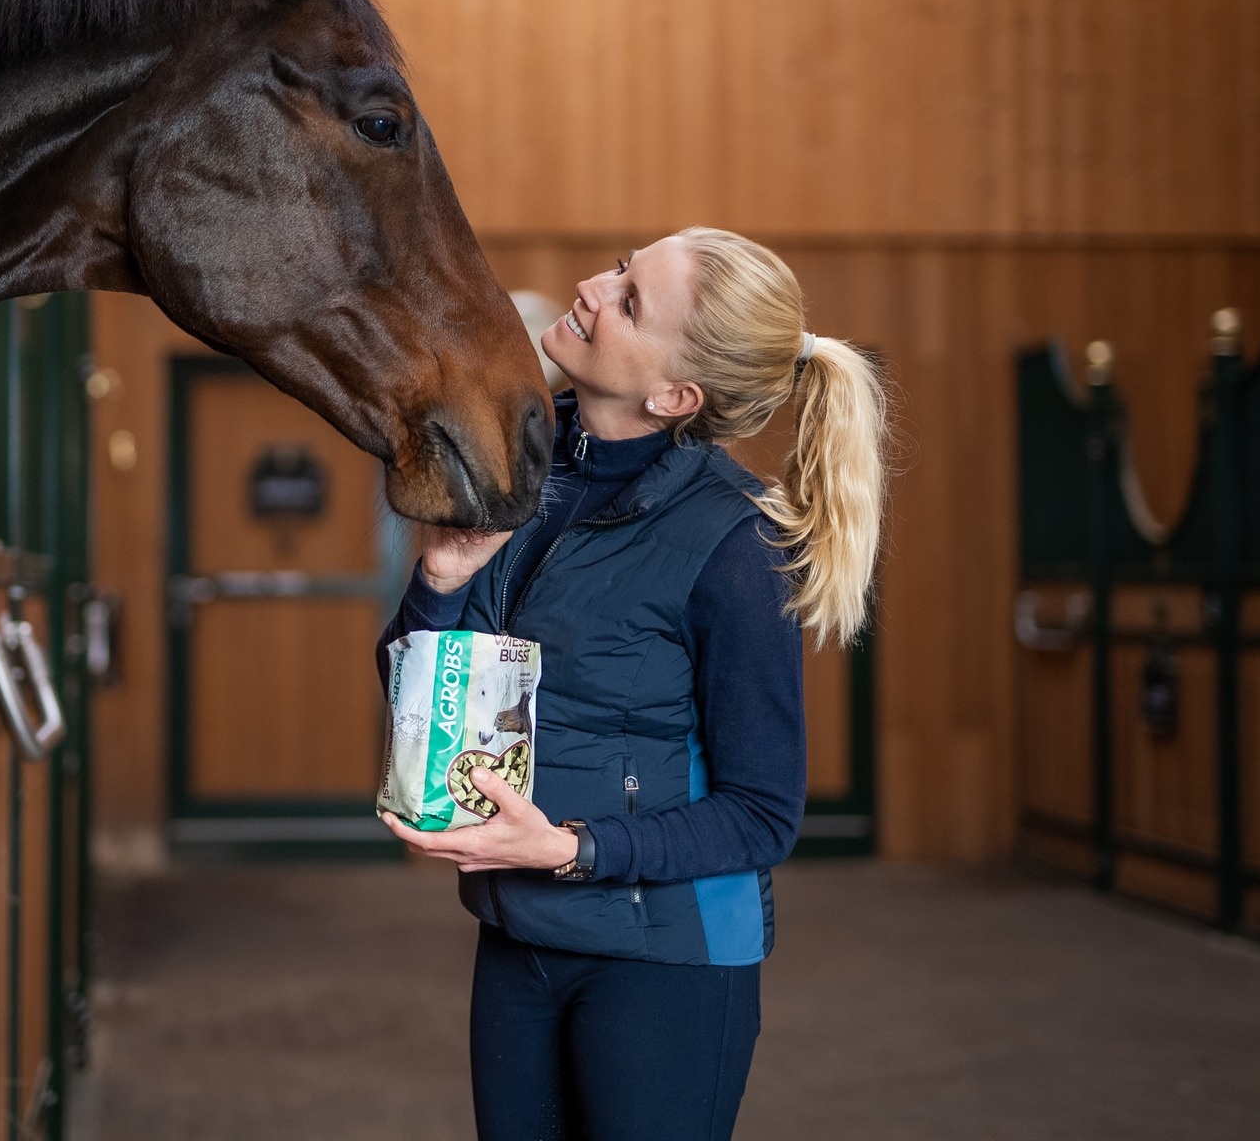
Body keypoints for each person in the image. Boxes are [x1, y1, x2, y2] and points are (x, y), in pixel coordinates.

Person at [378, 227, 888, 1141]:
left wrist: (570, 849)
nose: (590, 286)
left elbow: (762, 815)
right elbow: (421, 688)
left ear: (675, 394)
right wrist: (440, 584)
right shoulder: (514, 471)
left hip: (667, 963)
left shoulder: (733, 546)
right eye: (619, 268)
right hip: (518, 936)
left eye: (629, 299)